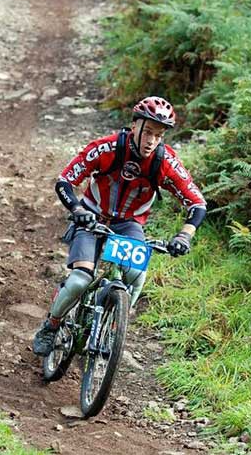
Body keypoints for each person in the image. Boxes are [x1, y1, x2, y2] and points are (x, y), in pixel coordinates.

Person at [33, 96, 206, 356]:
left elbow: (197, 203)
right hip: (91, 217)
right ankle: (51, 326)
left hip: (128, 225)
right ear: (134, 126)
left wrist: (184, 236)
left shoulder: (165, 162)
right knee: (80, 280)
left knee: (137, 276)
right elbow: (65, 181)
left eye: (158, 136)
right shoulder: (107, 148)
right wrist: (78, 210)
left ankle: (111, 330)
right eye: (147, 132)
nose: (151, 141)